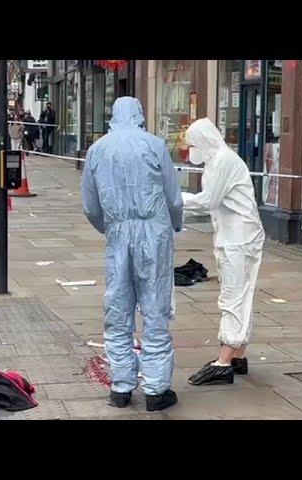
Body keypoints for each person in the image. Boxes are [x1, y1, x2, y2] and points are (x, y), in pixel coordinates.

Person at [81, 97, 183, 412]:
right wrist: (173, 227)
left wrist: (109, 228)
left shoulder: (97, 150)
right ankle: (156, 389)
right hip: (153, 232)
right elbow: (174, 198)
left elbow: (90, 205)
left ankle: (121, 387)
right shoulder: (154, 145)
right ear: (139, 114)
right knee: (155, 310)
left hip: (118, 233)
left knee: (118, 309)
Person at [182, 118, 265, 386]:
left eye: (193, 145)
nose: (190, 150)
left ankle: (224, 361)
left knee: (233, 295)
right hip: (236, 236)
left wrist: (174, 199)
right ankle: (237, 354)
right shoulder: (219, 160)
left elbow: (207, 201)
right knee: (241, 293)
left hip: (238, 239)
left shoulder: (223, 161)